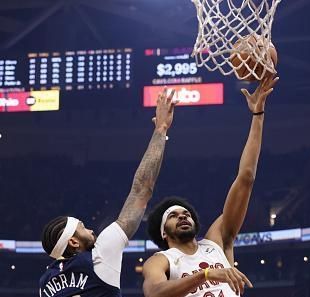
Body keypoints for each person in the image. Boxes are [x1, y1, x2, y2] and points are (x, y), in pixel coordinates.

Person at [143, 75, 279, 297]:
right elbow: (154, 293)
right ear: (163, 232)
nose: (183, 216)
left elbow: (245, 177)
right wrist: (206, 275)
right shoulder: (160, 260)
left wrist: (257, 115)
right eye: (174, 215)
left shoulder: (216, 242)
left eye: (185, 213)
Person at [39, 88, 178, 297]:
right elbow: (141, 190)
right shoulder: (100, 255)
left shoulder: (45, 283)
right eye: (83, 227)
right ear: (74, 242)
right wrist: (161, 129)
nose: (91, 230)